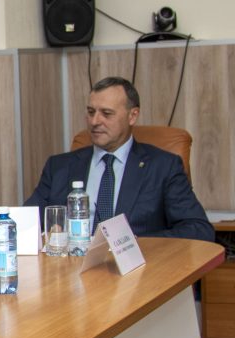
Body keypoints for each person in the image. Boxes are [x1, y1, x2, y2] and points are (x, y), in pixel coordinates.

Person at [25, 76, 213, 241]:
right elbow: (24, 224)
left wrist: (134, 243)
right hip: (72, 264)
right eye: (91, 112)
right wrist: (46, 235)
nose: (95, 121)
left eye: (106, 114)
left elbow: (198, 229)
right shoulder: (59, 166)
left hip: (138, 266)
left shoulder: (163, 167)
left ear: (132, 116)